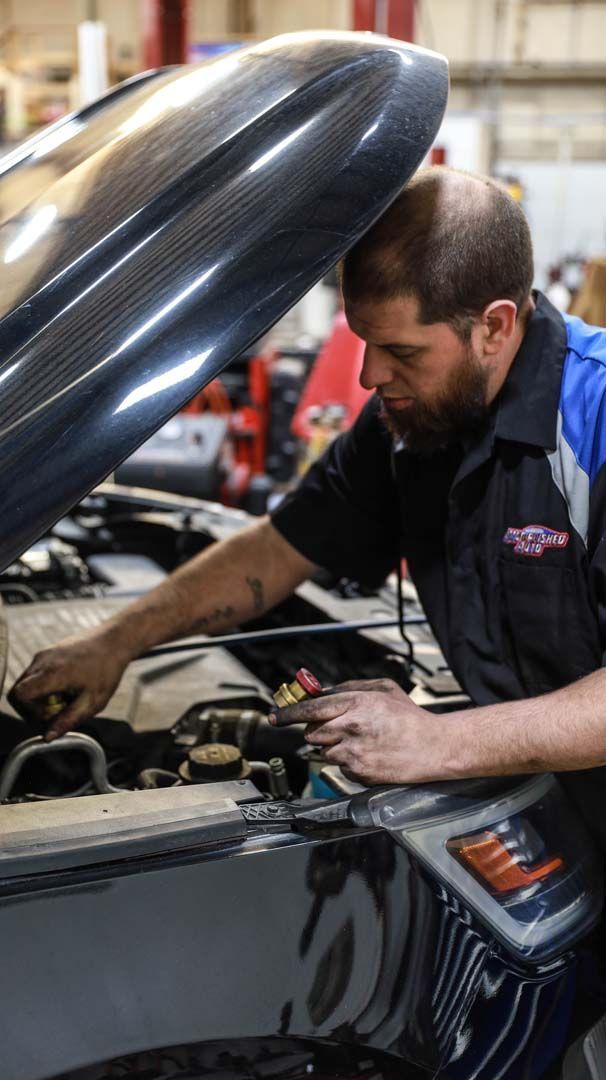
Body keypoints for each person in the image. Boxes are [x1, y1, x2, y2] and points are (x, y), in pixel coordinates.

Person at [9, 166, 606, 845]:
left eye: (400, 350)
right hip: (548, 813)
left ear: (495, 327)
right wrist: (112, 643)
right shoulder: (416, 425)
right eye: (364, 343)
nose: (369, 376)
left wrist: (440, 740)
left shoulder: (596, 424)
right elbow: (280, 546)